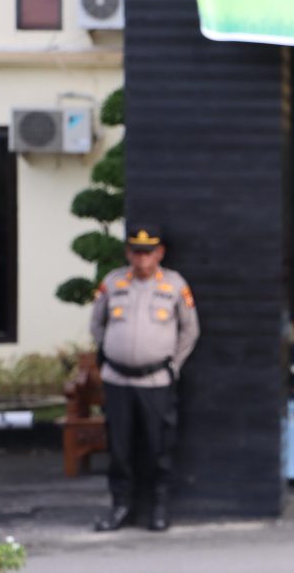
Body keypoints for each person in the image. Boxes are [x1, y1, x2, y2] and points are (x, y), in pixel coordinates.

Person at [89, 224, 199, 532]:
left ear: (159, 253)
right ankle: (121, 507)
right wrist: (114, 351)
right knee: (120, 448)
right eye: (136, 252)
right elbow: (97, 325)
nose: (141, 259)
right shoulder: (113, 283)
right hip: (118, 380)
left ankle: (159, 507)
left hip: (155, 381)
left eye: (148, 252)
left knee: (157, 447)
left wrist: (173, 365)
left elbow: (190, 330)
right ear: (128, 253)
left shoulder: (174, 285)